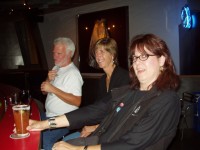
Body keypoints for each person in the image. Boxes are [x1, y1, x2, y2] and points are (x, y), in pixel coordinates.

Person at [27, 34, 181, 150]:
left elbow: (130, 143)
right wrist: (44, 124)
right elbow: (94, 111)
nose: (137, 62)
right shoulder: (128, 91)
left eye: (144, 56)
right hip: (100, 139)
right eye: (134, 58)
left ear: (162, 60)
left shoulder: (167, 99)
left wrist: (81, 149)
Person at [63, 37, 130, 140]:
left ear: (112, 55)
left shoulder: (124, 78)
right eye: (96, 52)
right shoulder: (103, 80)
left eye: (102, 51)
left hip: (118, 134)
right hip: (103, 128)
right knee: (66, 140)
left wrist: (94, 128)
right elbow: (97, 109)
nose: (98, 56)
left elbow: (121, 115)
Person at [40, 37, 83, 150]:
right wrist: (48, 80)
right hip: (49, 115)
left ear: (70, 54)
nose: (54, 56)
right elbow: (44, 91)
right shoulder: (56, 67)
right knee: (30, 128)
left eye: (59, 53)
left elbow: (77, 101)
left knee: (43, 140)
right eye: (54, 53)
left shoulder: (73, 73)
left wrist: (52, 89)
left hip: (63, 120)